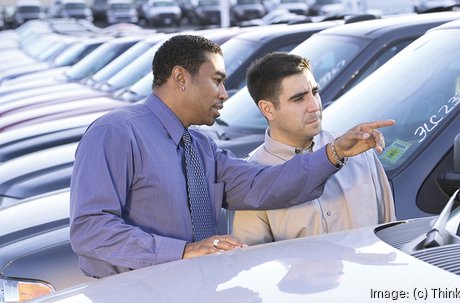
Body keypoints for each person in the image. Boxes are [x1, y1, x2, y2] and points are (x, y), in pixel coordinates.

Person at [70, 34, 395, 279]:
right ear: (181, 78)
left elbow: (265, 184)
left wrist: (334, 153)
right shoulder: (116, 132)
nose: (225, 93)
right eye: (217, 81)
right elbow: (91, 228)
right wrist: (183, 251)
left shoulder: (201, 147)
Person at [231, 52, 395, 245]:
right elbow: (253, 262)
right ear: (268, 109)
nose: (314, 106)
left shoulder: (360, 151)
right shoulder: (253, 180)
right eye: (299, 99)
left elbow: (389, 233)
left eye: (315, 92)